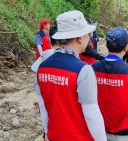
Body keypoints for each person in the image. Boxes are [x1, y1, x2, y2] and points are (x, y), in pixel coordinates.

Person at [34, 10, 106, 141]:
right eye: (87, 35)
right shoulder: (83, 70)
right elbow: (92, 115)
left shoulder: (41, 68)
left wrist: (47, 133)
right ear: (79, 38)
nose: (89, 38)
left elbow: (43, 108)